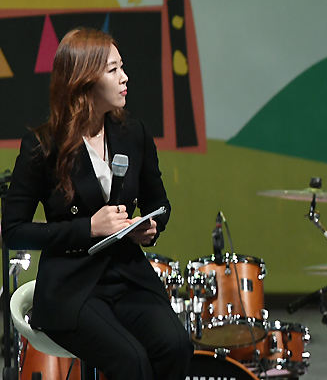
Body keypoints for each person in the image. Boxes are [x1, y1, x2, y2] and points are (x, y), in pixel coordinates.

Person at [1, 28, 193, 380]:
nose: (125, 77)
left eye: (122, 67)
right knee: (131, 361)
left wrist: (149, 227)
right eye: (113, 69)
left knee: (176, 345)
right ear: (83, 80)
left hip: (127, 276)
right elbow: (14, 231)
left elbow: (159, 203)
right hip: (71, 286)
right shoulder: (42, 146)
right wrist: (89, 228)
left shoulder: (134, 134)